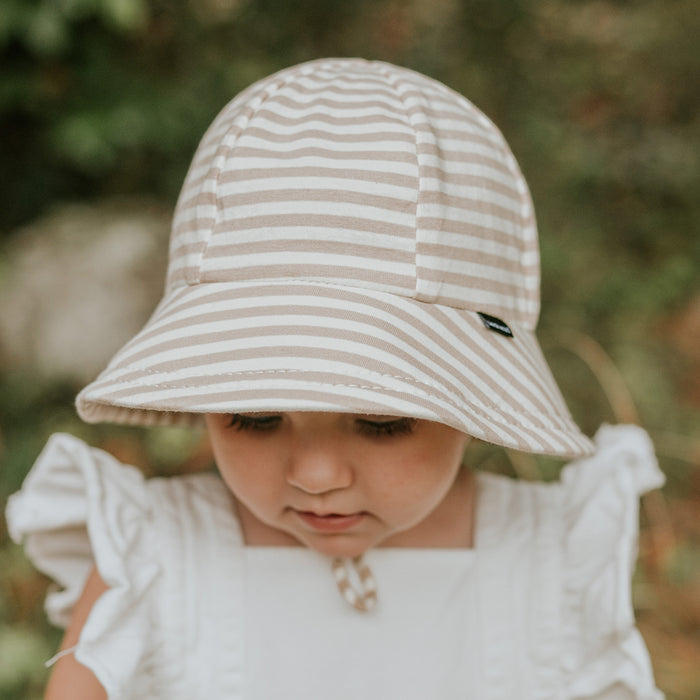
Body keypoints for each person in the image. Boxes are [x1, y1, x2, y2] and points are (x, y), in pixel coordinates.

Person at [6, 58, 664, 699]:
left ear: (472, 402)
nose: (315, 475)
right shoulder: (151, 561)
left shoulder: (554, 566)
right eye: (256, 418)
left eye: (382, 421)